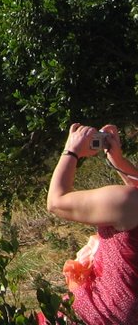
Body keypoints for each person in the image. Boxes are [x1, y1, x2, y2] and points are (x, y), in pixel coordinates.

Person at [43, 123, 138, 324]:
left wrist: (71, 150)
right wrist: (118, 161)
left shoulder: (125, 201)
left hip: (102, 314)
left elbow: (56, 202)